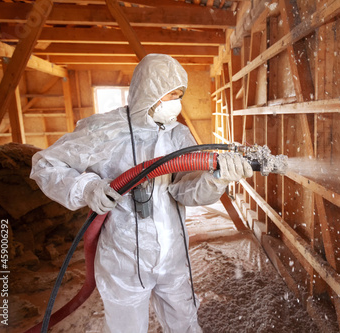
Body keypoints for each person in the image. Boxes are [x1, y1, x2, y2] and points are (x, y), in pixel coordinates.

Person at [30, 54, 253, 333]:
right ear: (148, 92)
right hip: (124, 259)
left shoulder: (177, 135)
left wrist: (217, 179)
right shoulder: (105, 130)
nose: (176, 101)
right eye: (169, 94)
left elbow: (186, 192)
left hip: (173, 258)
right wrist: (88, 187)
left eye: (179, 94)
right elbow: (46, 165)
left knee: (186, 325)